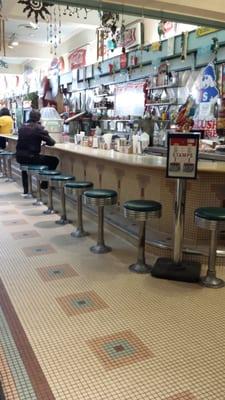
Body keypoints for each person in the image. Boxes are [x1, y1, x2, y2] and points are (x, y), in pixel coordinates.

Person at [16, 109, 59, 195]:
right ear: (39, 118)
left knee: (25, 166)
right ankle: (44, 183)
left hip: (19, 157)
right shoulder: (38, 128)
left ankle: (26, 190)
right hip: (32, 157)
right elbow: (52, 142)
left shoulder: (22, 127)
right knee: (54, 160)